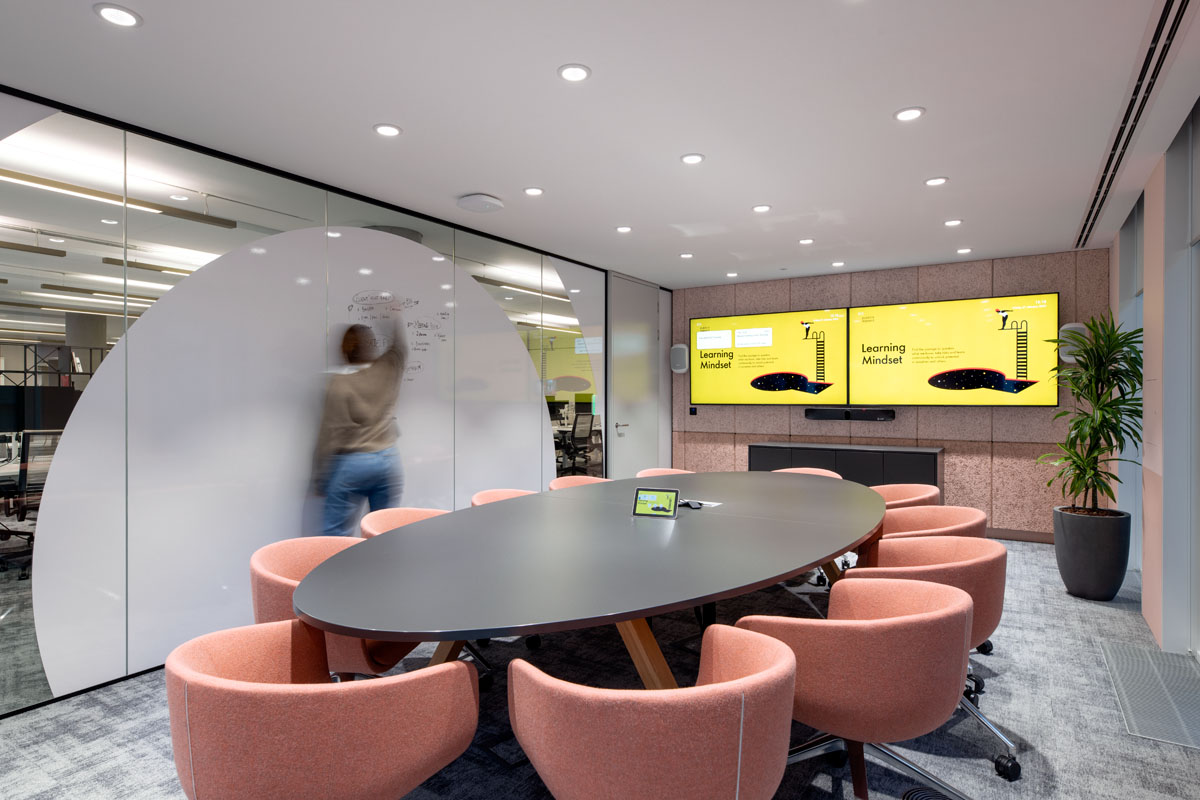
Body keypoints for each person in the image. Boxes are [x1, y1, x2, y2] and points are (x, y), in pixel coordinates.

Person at [313, 318, 406, 535]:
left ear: (343, 350)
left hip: (352, 464)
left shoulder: (337, 384)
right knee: (384, 531)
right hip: (388, 460)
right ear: (370, 346)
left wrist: (319, 479)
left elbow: (328, 435)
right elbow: (399, 349)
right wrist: (392, 317)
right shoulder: (387, 370)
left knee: (336, 535)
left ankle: (339, 570)